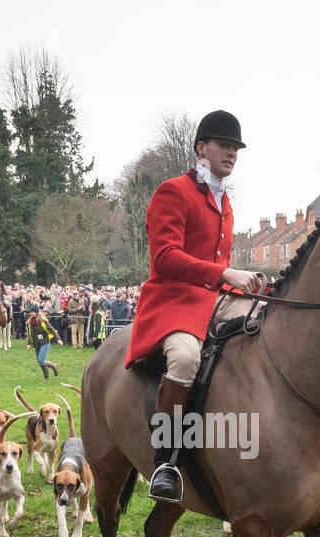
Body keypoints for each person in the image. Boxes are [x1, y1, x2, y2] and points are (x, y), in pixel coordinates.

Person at [124, 109, 264, 502]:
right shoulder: (173, 191)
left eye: (236, 147)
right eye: (224, 145)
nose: (232, 153)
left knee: (264, 327)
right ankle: (167, 460)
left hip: (215, 298)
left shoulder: (225, 203)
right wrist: (225, 274)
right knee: (185, 359)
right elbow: (165, 257)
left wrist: (243, 281)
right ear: (201, 148)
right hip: (173, 299)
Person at [29, 295, 60, 378]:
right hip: (37, 344)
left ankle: (47, 376)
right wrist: (29, 344)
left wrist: (58, 339)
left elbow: (52, 329)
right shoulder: (30, 322)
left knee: (41, 360)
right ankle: (53, 366)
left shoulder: (43, 321)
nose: (31, 313)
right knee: (40, 361)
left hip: (45, 342)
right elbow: (30, 334)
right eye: (30, 312)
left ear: (36, 312)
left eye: (32, 312)